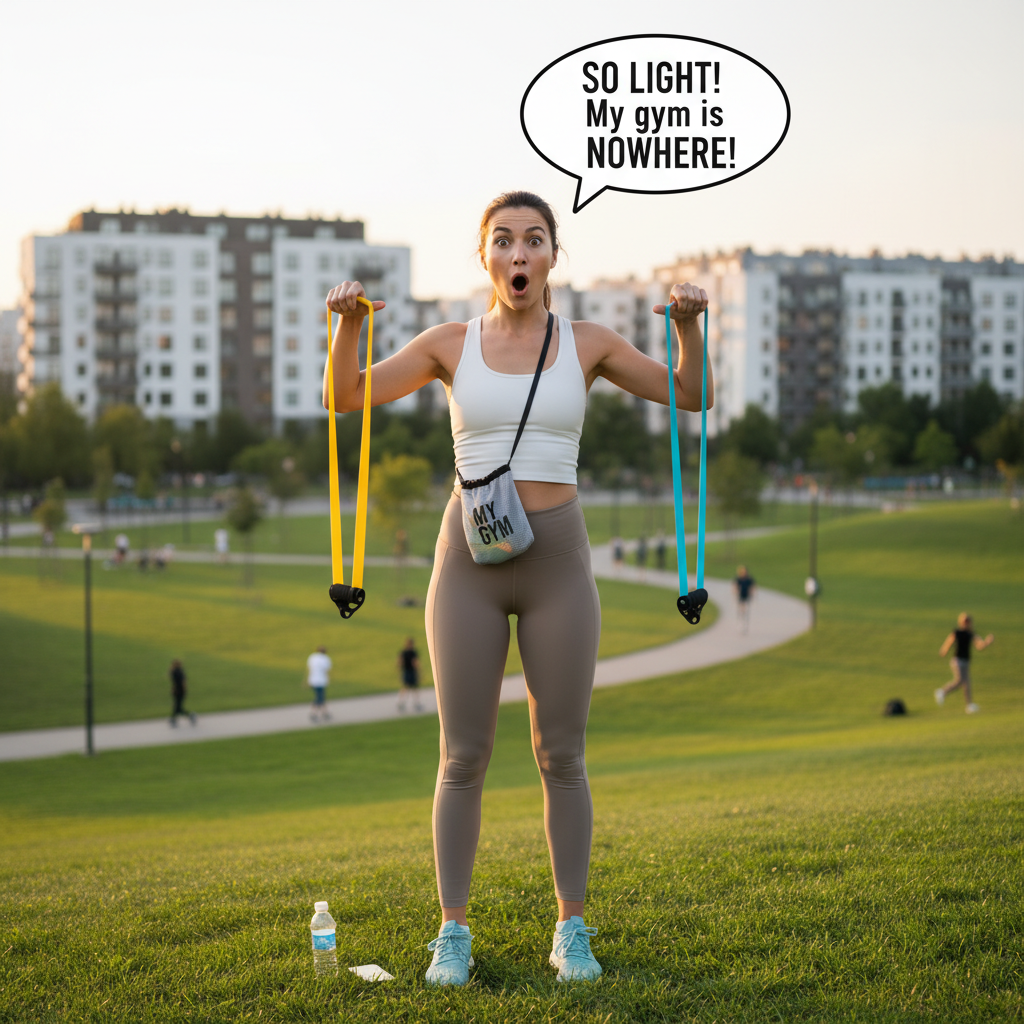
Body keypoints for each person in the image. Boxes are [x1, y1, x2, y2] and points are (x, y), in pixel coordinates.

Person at [325, 190, 713, 987]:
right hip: (466, 561)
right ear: (486, 259)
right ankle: (453, 932)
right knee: (461, 756)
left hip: (557, 562)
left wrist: (686, 328)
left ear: (551, 257)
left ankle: (572, 926)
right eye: (503, 241)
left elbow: (691, 394)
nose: (519, 254)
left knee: (561, 754)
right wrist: (351, 325)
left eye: (534, 240)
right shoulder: (447, 343)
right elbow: (346, 396)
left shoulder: (590, 343)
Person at [935, 613, 993, 713]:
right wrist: (944, 651)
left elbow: (980, 646)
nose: (967, 624)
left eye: (968, 622)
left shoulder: (971, 634)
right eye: (965, 621)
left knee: (967, 683)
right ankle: (942, 692)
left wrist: (987, 642)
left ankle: (969, 705)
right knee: (960, 681)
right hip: (957, 660)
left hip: (966, 661)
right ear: (961, 622)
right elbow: (949, 642)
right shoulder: (957, 632)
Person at [397, 636, 423, 713]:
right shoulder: (413, 653)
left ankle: (401, 703)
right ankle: (416, 703)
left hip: (406, 671)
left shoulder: (403, 652)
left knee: (405, 687)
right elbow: (415, 663)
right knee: (414, 688)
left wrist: (400, 669)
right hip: (411, 671)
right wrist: (419, 671)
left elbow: (399, 662)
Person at [306, 645, 332, 722]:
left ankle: (325, 713)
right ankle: (314, 714)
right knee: (319, 698)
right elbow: (327, 670)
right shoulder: (325, 659)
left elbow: (309, 668)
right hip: (321, 681)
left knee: (320, 697)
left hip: (313, 680)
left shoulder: (312, 657)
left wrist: (307, 680)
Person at [169, 659, 196, 726]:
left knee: (177, 707)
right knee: (177, 707)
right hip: (178, 691)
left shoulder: (177, 672)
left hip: (179, 691)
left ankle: (175, 719)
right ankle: (188, 716)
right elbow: (181, 682)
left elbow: (182, 682)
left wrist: (180, 690)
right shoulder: (178, 671)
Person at [734, 565, 756, 633]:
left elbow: (752, 587)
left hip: (746, 596)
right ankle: (740, 623)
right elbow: (735, 586)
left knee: (745, 610)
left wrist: (752, 594)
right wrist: (736, 593)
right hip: (741, 596)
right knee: (741, 610)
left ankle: (745, 625)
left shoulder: (749, 579)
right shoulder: (739, 579)